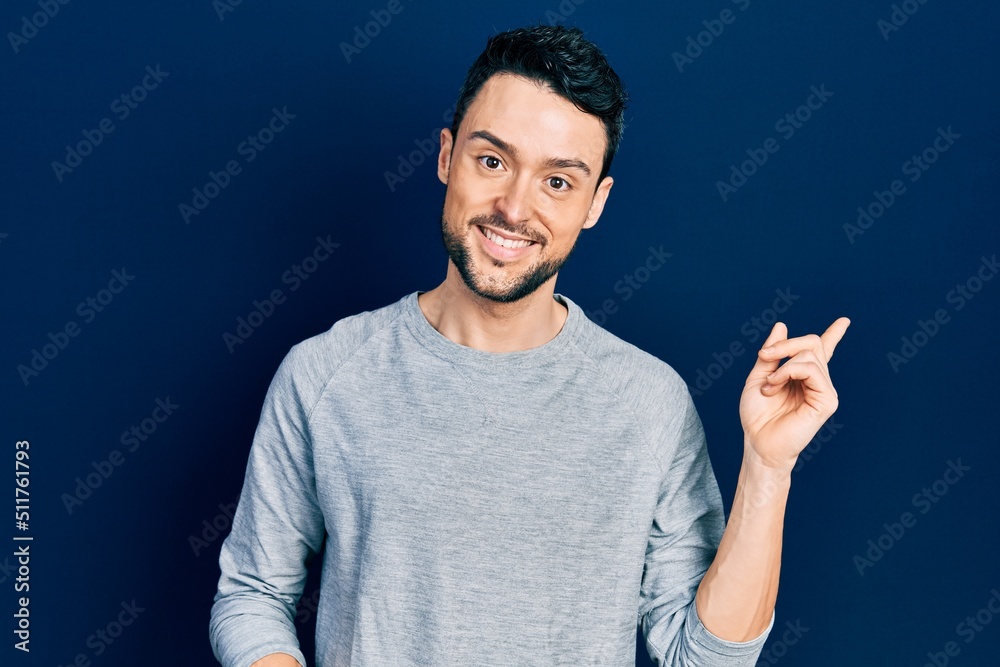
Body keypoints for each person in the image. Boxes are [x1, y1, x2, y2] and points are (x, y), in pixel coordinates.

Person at [209, 25, 849, 667]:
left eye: (558, 182)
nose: (514, 208)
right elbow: (252, 594)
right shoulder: (325, 374)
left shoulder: (649, 402)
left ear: (596, 204)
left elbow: (704, 657)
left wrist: (768, 468)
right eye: (492, 161)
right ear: (445, 156)